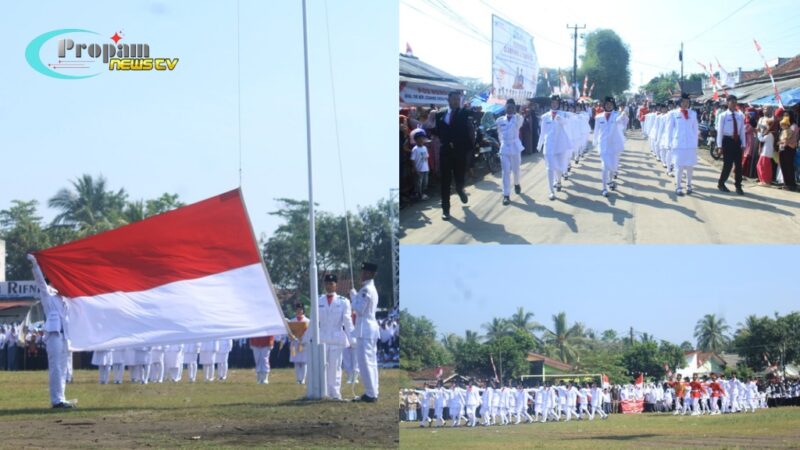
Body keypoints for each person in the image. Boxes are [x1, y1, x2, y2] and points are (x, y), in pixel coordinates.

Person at [28, 255, 74, 409]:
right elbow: (40, 282)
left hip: (64, 336)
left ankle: (62, 398)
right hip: (54, 335)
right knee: (56, 367)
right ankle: (56, 400)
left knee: (64, 368)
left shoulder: (65, 299)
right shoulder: (48, 295)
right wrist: (35, 264)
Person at [434, 91, 474, 220]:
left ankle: (460, 190)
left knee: (459, 178)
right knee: (445, 182)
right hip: (445, 152)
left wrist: (470, 152)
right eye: (454, 99)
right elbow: (439, 131)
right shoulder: (439, 114)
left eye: (458, 99)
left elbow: (470, 129)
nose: (457, 101)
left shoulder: (464, 113)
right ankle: (446, 210)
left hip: (460, 152)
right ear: (448, 100)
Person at [318, 274, 353, 399]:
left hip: (336, 338)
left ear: (336, 285)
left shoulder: (343, 301)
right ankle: (323, 391)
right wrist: (307, 338)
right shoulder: (319, 300)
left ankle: (335, 392)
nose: (328, 286)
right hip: (322, 338)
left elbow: (347, 322)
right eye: (327, 283)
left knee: (335, 367)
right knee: (322, 367)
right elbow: (314, 321)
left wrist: (352, 339)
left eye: (331, 283)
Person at [350, 263, 380, 403]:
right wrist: (356, 296)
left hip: (365, 329)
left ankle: (370, 393)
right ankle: (373, 391)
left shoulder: (366, 289)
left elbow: (359, 309)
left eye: (363, 272)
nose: (360, 274)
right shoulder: (370, 288)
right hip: (369, 328)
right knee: (371, 362)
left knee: (365, 362)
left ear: (368, 274)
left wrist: (353, 297)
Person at [538, 95, 573, 200]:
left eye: (556, 103)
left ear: (558, 104)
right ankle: (551, 191)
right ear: (550, 104)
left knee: (559, 167)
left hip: (560, 145)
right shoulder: (545, 116)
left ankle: (558, 181)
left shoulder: (563, 114)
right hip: (549, 145)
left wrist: (561, 120)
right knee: (549, 168)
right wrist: (539, 144)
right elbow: (542, 132)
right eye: (552, 103)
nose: (554, 104)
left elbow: (567, 123)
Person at [593, 96, 628, 197]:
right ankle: (604, 188)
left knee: (613, 166)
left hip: (614, 145)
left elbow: (622, 124)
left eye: (611, 104)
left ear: (613, 105)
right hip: (603, 145)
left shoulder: (617, 115)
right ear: (604, 105)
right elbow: (596, 130)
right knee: (604, 166)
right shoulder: (598, 117)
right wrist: (595, 141)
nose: (609, 106)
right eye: (607, 104)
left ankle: (610, 180)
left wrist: (624, 115)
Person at [667, 93, 699, 195]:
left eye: (688, 102)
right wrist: (669, 143)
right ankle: (678, 186)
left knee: (690, 166)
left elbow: (695, 129)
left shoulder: (693, 114)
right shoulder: (673, 114)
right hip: (678, 144)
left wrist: (695, 143)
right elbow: (669, 130)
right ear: (680, 102)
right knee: (679, 166)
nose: (686, 104)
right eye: (684, 102)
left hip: (690, 144)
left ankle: (689, 185)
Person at [496, 98, 525, 205]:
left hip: (515, 146)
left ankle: (517, 183)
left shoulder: (517, 119)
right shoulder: (499, 120)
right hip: (504, 148)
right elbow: (499, 133)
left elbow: (520, 121)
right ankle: (506, 195)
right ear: (505, 108)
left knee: (516, 170)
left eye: (512, 107)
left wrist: (519, 112)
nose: (510, 109)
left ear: (514, 109)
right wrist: (502, 144)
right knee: (505, 172)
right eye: (508, 107)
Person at [716, 95, 747, 195]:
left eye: (735, 102)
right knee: (728, 165)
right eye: (732, 102)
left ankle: (738, 186)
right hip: (727, 141)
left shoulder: (740, 116)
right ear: (727, 103)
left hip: (737, 142)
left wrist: (744, 144)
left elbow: (742, 131)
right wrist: (719, 146)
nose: (734, 104)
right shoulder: (723, 115)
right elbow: (720, 132)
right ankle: (721, 183)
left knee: (738, 165)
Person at [288, 303, 310, 385]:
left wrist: (304, 339)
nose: (299, 311)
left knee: (304, 362)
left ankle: (302, 379)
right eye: (297, 309)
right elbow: (290, 332)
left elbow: (309, 332)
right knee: (296, 362)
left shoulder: (308, 321)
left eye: (300, 309)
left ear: (303, 310)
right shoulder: (292, 321)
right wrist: (293, 337)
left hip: (304, 343)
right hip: (295, 343)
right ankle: (298, 379)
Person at [409, 128, 431, 201]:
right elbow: (412, 160)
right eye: (419, 139)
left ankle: (423, 193)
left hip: (425, 169)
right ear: (416, 140)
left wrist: (428, 167)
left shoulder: (425, 148)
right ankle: (419, 195)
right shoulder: (415, 149)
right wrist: (415, 169)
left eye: (422, 138)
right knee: (419, 183)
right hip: (419, 169)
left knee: (425, 182)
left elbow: (426, 158)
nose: (421, 140)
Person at [778, 114, 798, 191]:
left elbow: (790, 139)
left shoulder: (793, 127)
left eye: (787, 116)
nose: (786, 117)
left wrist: (783, 142)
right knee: (784, 166)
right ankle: (786, 184)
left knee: (788, 167)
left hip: (789, 149)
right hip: (783, 149)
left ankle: (791, 184)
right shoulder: (784, 129)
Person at [756, 118, 776, 186]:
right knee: (765, 167)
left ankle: (764, 181)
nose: (766, 126)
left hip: (766, 153)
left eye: (767, 125)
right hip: (766, 153)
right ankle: (766, 181)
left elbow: (761, 139)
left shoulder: (769, 134)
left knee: (761, 166)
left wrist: (758, 132)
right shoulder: (770, 134)